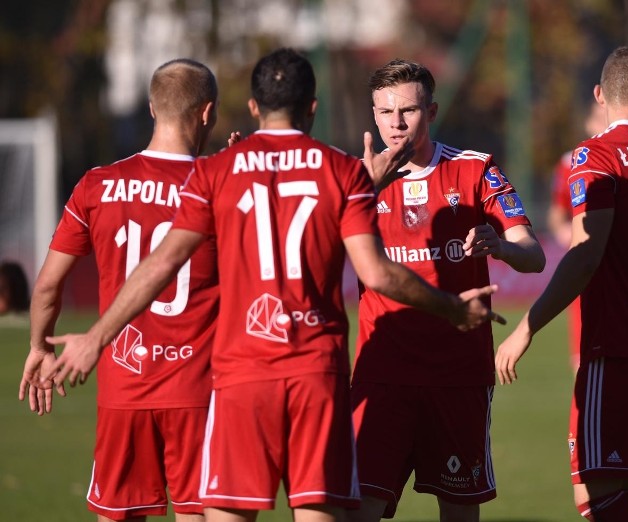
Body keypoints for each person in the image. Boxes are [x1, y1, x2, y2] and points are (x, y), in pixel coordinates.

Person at [39, 48, 501, 522]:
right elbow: (377, 273)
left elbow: (162, 263)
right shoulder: (343, 172)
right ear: (313, 107)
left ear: (255, 107)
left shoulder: (215, 172)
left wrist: (97, 338)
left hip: (241, 376)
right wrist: (452, 308)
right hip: (314, 378)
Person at [495, 46, 628, 520]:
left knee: (599, 500)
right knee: (611, 496)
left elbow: (584, 256)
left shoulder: (594, 156)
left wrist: (526, 328)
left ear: (599, 94)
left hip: (615, 344)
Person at [18, 59, 220, 521]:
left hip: (123, 391)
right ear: (207, 113)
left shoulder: (97, 184)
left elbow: (48, 286)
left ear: (151, 108)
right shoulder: (219, 186)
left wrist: (38, 346)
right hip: (198, 390)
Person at [347, 59, 545, 522]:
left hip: (457, 377)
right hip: (382, 376)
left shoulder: (474, 171)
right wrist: (361, 192)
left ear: (431, 112)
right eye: (384, 112)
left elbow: (532, 254)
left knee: (459, 513)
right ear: (372, 114)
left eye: (409, 111)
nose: (396, 124)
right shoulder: (351, 181)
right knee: (358, 512)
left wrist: (501, 246)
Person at [548, 101, 608, 371]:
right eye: (598, 118)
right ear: (588, 123)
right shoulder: (570, 162)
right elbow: (557, 212)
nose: (603, 124)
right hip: (587, 269)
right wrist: (567, 233)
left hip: (625, 267)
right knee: (584, 361)